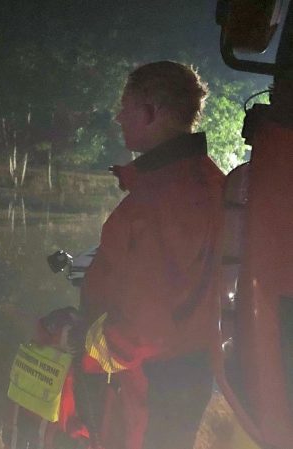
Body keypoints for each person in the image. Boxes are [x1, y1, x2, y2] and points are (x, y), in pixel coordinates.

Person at [75, 61, 225, 449]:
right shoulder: (208, 181)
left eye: (126, 105)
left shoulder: (160, 201)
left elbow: (142, 327)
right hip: (185, 367)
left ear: (153, 112)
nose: (119, 115)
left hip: (150, 381)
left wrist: (83, 348)